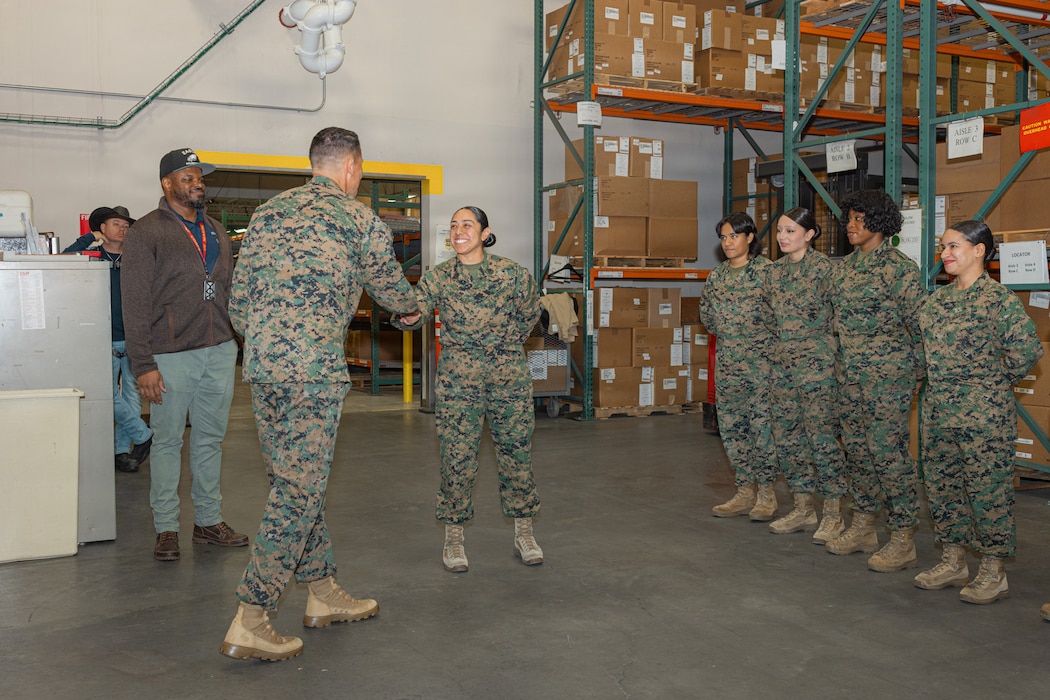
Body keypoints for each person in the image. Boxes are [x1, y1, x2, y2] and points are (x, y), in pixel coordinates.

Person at [220, 127, 421, 662]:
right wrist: (413, 311)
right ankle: (251, 617)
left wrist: (269, 343)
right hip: (312, 374)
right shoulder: (358, 218)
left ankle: (322, 591)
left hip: (263, 369)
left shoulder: (266, 215)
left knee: (293, 483)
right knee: (297, 494)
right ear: (352, 166)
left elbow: (237, 303)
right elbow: (392, 291)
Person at [122, 148, 249, 562]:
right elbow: (134, 302)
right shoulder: (147, 231)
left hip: (219, 350)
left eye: (200, 177)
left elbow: (227, 289)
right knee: (167, 441)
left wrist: (237, 338)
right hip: (171, 354)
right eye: (187, 177)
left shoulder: (215, 230)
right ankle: (166, 528)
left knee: (210, 440)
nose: (197, 183)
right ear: (167, 183)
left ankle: (208, 521)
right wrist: (144, 364)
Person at [404, 206, 543, 574]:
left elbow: (532, 311)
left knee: (516, 454)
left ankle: (525, 533)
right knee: (457, 458)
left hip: (508, 380)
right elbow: (418, 309)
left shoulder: (511, 273)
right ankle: (453, 537)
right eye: (454, 225)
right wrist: (408, 316)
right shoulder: (439, 277)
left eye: (467, 224)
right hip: (458, 382)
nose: (458, 231)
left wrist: (507, 344)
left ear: (484, 233)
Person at [915, 220, 1041, 604]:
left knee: (988, 493)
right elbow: (923, 357)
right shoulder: (935, 302)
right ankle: (953, 561)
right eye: (943, 247)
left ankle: (993, 570)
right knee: (943, 490)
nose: (945, 254)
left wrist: (988, 385)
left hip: (983, 419)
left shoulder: (998, 300)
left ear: (979, 250)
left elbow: (1027, 350)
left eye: (954, 246)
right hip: (938, 415)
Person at [825, 189, 926, 572]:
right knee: (858, 453)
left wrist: (913, 376)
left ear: (879, 223)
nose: (850, 225)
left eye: (859, 218)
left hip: (888, 382)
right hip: (850, 378)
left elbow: (920, 327)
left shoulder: (898, 269)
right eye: (849, 218)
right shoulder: (844, 269)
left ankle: (902, 537)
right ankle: (864, 526)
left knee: (888, 456)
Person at [763, 208, 848, 543]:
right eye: (780, 231)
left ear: (810, 234)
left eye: (791, 231)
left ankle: (833, 514)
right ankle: (802, 508)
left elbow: (841, 318)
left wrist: (826, 352)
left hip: (818, 370)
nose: (782, 237)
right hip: (783, 368)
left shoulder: (827, 271)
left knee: (822, 441)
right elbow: (768, 318)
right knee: (788, 439)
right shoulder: (774, 273)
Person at [699, 212, 779, 521]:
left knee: (762, 430)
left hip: (762, 368)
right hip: (728, 366)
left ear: (750, 237)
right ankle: (745, 491)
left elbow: (780, 316)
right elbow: (707, 315)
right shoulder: (717, 276)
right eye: (724, 237)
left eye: (734, 235)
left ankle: (767, 494)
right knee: (733, 430)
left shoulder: (766, 272)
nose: (728, 242)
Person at [63, 206, 154, 473]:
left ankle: (122, 452)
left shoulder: (136, 257)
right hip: (103, 338)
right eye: (116, 224)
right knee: (106, 393)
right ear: (102, 228)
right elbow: (64, 260)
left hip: (134, 338)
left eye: (126, 226)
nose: (122, 229)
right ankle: (143, 434)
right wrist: (88, 238)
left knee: (132, 397)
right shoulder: (92, 256)